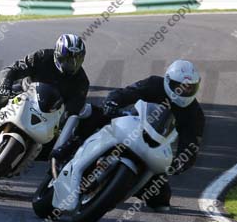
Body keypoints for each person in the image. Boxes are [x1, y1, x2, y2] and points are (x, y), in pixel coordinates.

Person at [51, 59, 204, 211]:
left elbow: (191, 145)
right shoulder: (154, 84)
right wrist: (113, 102)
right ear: (168, 81)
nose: (184, 91)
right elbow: (128, 92)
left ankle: (122, 188)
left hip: (154, 147)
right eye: (180, 86)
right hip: (130, 123)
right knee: (96, 114)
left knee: (162, 200)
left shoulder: (195, 113)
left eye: (190, 88)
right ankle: (70, 145)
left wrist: (181, 163)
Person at [0, 33, 89, 134]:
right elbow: (13, 69)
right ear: (57, 54)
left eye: (75, 60)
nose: (71, 65)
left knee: (61, 136)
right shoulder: (42, 56)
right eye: (66, 59)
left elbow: (73, 109)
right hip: (25, 92)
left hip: (51, 111)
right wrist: (5, 83)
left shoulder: (82, 82)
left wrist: (64, 120)